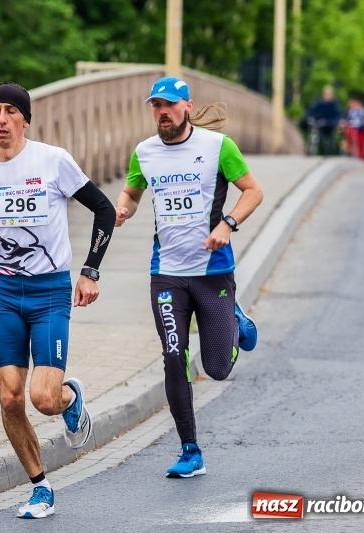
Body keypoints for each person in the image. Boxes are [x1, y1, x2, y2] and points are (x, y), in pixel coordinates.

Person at [0, 82, 116, 518]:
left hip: (51, 291)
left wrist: (90, 271)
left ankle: (69, 398)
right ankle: (40, 487)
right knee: (9, 398)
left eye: (10, 112)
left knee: (42, 398)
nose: (1, 119)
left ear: (25, 120)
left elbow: (105, 210)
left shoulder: (52, 161)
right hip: (4, 293)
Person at [115, 76, 263, 478]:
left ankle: (234, 317)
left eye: (168, 105)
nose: (161, 113)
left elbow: (252, 191)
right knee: (173, 354)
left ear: (186, 106)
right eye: (155, 106)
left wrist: (228, 224)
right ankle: (190, 449)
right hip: (166, 273)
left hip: (213, 270)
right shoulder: (144, 153)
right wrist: (124, 207)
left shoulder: (218, 147)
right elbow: (132, 191)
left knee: (216, 369)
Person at [304, 85, 342, 155]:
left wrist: (334, 121)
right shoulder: (319, 103)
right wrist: (309, 118)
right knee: (320, 139)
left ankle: (331, 154)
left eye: (329, 94)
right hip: (321, 124)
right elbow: (311, 111)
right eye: (326, 94)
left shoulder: (335, 104)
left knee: (331, 141)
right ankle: (321, 152)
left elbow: (338, 115)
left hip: (330, 125)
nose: (327, 96)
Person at [339, 96, 364, 160]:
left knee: (362, 143)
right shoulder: (349, 111)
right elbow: (343, 120)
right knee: (349, 133)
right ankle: (349, 151)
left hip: (361, 129)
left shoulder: (363, 111)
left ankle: (361, 157)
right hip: (351, 129)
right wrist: (342, 125)